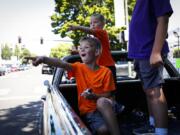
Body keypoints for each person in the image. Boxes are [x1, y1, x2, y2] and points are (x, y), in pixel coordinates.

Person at [26, 37, 122, 135]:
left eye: (86, 47)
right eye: (80, 48)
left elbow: (108, 94)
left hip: (108, 106)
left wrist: (94, 96)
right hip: (90, 112)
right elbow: (61, 63)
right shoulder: (78, 67)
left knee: (102, 101)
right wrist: (43, 59)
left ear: (97, 52)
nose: (82, 49)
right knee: (104, 130)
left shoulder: (106, 72)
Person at [128, 0, 173, 135]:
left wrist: (156, 52)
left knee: (154, 92)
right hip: (140, 53)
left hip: (149, 51)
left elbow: (163, 20)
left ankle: (160, 132)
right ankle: (152, 125)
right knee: (149, 91)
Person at [68, 13, 116, 81]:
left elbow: (91, 31)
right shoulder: (91, 40)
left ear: (103, 24)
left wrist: (77, 27)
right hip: (96, 68)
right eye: (90, 23)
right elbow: (90, 52)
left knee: (109, 90)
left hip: (107, 66)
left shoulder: (102, 33)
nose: (92, 25)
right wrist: (78, 52)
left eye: (95, 22)